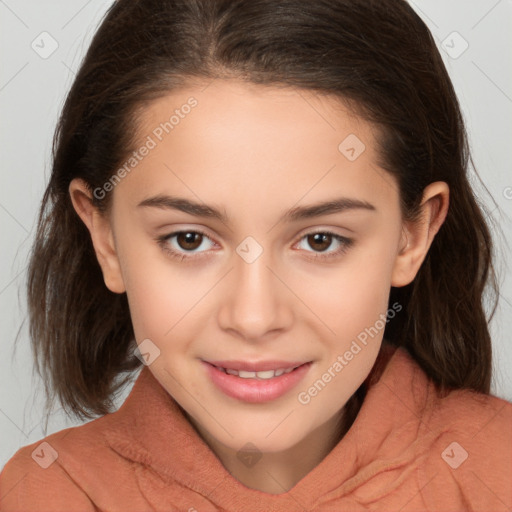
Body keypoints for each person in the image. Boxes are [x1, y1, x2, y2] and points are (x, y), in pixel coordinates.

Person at [1, 0, 510, 510]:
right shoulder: (46, 493)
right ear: (106, 239)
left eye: (320, 240)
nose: (253, 317)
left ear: (413, 234)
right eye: (189, 239)